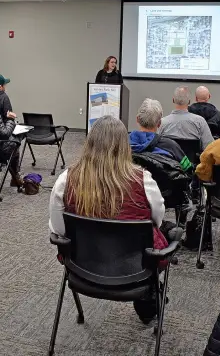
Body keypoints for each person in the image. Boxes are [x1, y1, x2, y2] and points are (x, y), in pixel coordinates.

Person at [49, 115, 169, 323]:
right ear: (124, 145)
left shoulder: (66, 179)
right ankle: (151, 297)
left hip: (82, 267)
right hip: (137, 269)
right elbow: (157, 221)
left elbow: (59, 230)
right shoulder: (143, 180)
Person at [129, 98, 192, 173]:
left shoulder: (121, 144)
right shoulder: (171, 146)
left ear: (137, 119)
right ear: (159, 123)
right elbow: (188, 170)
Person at [158, 86, 214, 150]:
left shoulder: (162, 123)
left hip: (169, 159)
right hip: (192, 160)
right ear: (189, 101)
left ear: (173, 100)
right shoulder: (200, 122)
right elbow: (209, 148)